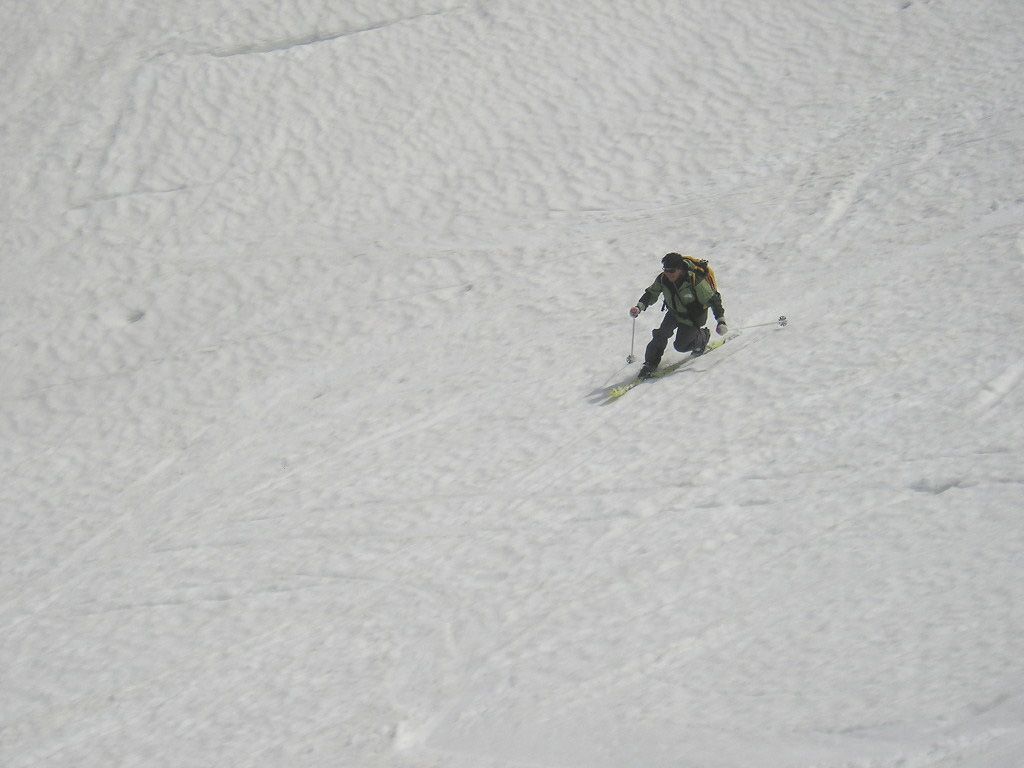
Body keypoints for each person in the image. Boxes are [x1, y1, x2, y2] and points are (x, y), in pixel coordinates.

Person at [629, 252, 727, 379]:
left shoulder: (694, 280)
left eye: (672, 270)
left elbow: (713, 300)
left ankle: (702, 337)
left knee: (680, 346)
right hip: (674, 313)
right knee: (661, 334)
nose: (668, 273)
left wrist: (721, 321)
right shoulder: (663, 279)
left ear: (680, 269)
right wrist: (639, 307)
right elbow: (651, 293)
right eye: (665, 270)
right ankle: (650, 363)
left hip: (693, 318)